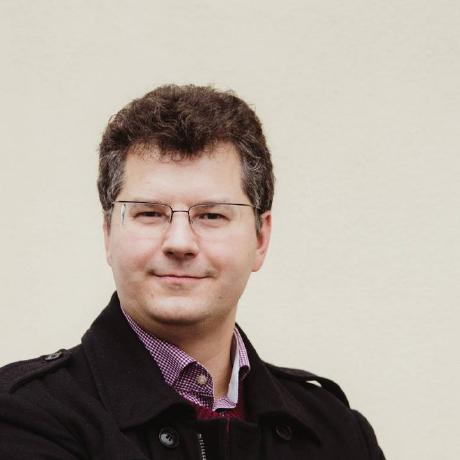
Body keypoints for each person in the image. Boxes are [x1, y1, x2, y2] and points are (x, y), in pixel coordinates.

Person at [0, 85, 385, 459]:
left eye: (211, 215)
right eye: (150, 213)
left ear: (260, 238)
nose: (180, 242)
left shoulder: (336, 430)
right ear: (108, 234)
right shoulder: (22, 415)